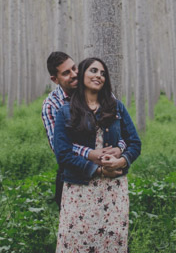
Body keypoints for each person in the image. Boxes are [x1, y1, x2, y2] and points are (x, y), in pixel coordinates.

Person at [52, 57, 141, 253]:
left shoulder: (117, 107)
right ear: (82, 74)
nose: (98, 76)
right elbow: (63, 154)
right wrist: (98, 170)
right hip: (79, 190)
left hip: (113, 191)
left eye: (102, 73)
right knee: (76, 243)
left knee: (111, 243)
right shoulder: (65, 111)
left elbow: (135, 143)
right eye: (93, 70)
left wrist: (121, 161)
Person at [41, 52, 124, 207]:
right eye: (66, 73)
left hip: (110, 171)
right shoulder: (51, 105)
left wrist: (119, 149)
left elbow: (123, 132)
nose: (74, 74)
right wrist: (91, 154)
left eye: (74, 68)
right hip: (74, 175)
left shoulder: (103, 94)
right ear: (55, 79)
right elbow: (58, 148)